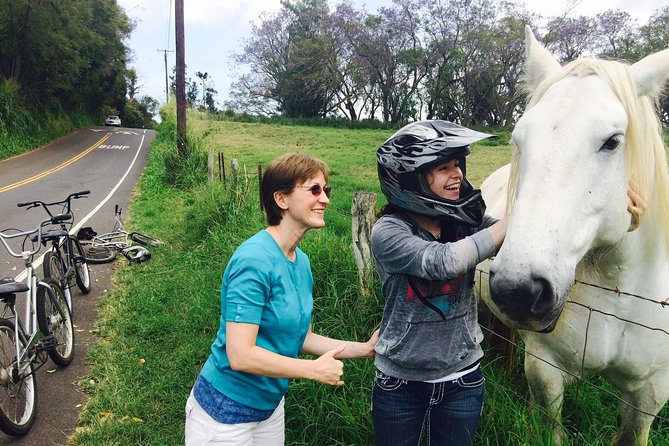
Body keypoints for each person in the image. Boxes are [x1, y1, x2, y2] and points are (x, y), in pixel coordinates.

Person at [185, 153, 378, 446]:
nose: (324, 198)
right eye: (314, 189)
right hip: (224, 414)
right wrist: (312, 370)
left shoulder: (301, 262)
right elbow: (240, 355)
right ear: (282, 199)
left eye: (326, 190)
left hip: (270, 408)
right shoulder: (254, 260)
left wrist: (365, 349)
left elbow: (302, 338)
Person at [370, 120, 508, 446]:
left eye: (458, 163)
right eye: (444, 167)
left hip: (463, 380)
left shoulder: (464, 223)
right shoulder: (389, 231)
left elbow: (516, 239)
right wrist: (511, 222)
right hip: (401, 384)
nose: (457, 173)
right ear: (411, 178)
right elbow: (442, 262)